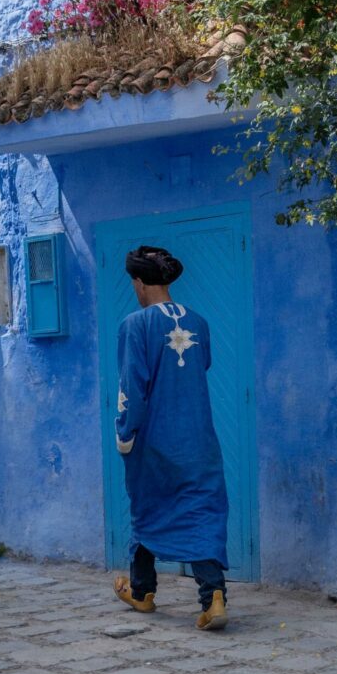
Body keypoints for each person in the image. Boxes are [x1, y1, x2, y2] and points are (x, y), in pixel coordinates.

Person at [113, 245, 230, 631]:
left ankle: (144, 591)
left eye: (133, 281)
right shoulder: (199, 322)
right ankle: (213, 595)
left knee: (148, 509)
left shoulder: (136, 324)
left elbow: (133, 383)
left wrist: (126, 431)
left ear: (140, 282)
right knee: (201, 511)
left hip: (155, 439)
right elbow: (203, 364)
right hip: (199, 439)